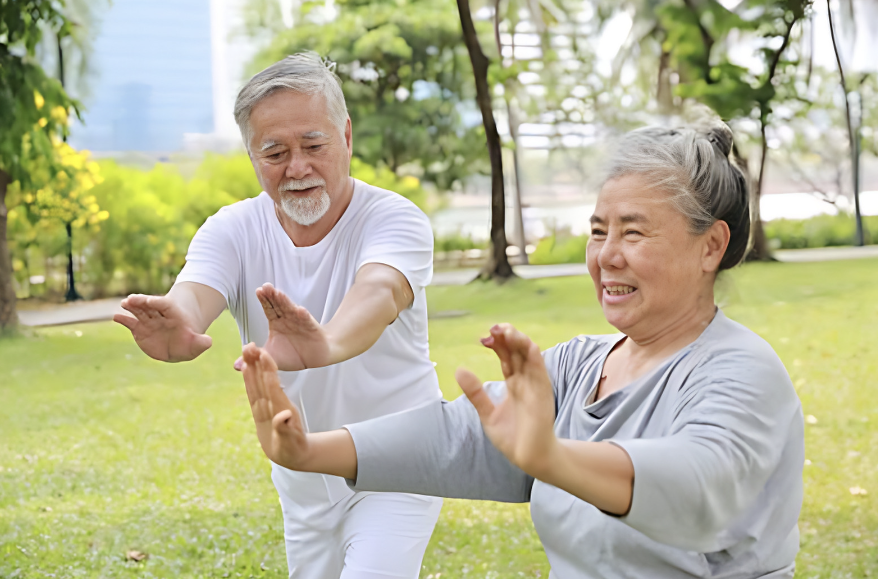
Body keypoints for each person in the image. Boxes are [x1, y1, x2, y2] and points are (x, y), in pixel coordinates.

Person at [238, 122, 805, 578]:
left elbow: (699, 486)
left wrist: (553, 459)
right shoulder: (581, 365)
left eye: (633, 233)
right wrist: (309, 451)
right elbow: (458, 438)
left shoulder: (742, 371)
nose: (607, 255)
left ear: (711, 246)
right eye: (598, 231)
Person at [113, 53, 443, 578]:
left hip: (398, 461)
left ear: (347, 136)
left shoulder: (392, 218)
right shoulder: (232, 229)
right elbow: (195, 294)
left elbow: (379, 293)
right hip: (302, 475)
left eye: (314, 145)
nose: (297, 168)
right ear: (251, 156)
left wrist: (326, 344)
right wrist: (178, 320)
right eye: (275, 152)